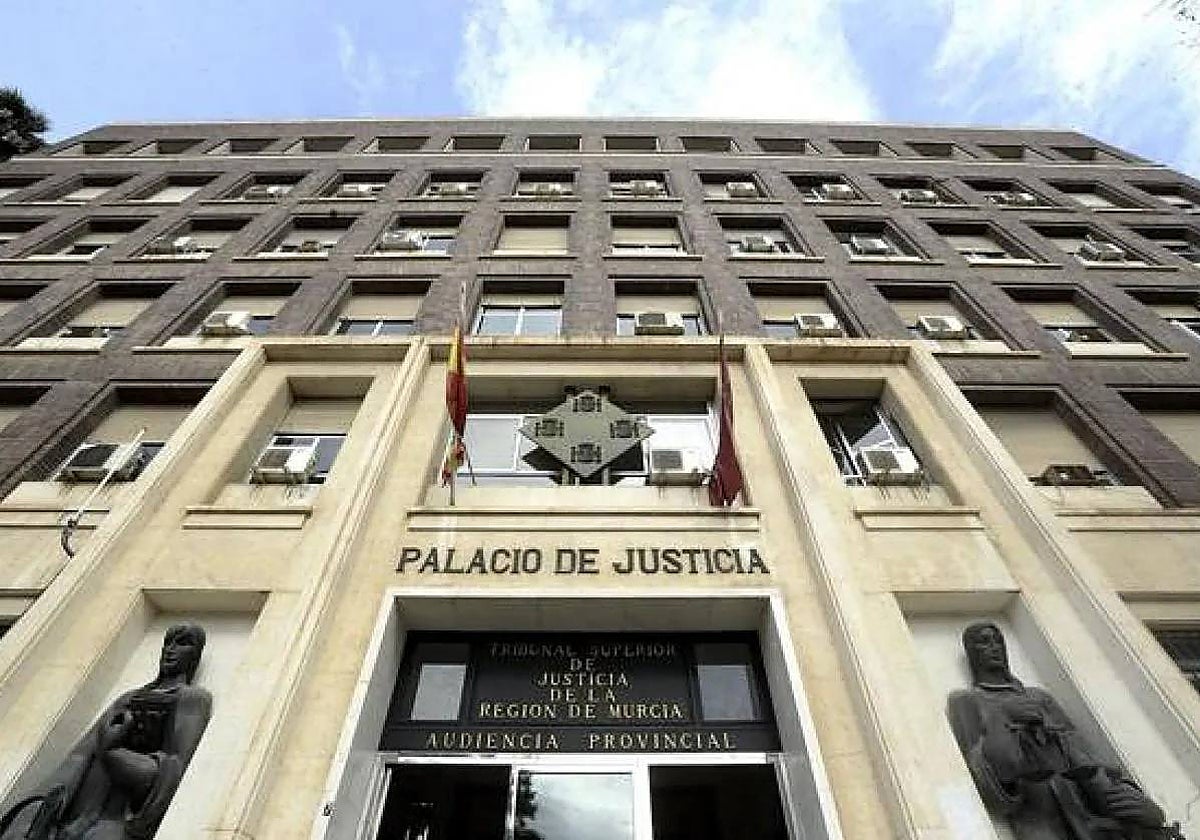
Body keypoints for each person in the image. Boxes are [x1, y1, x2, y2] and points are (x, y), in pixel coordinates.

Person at [948, 621, 1181, 840]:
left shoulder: (1039, 697)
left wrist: (1131, 798)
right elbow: (982, 769)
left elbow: (1082, 754)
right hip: (1041, 821)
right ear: (971, 652)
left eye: (998, 641)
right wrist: (1002, 720)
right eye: (984, 642)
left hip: (1086, 813)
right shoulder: (967, 700)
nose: (994, 647)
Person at [0, 623, 212, 840]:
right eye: (168, 642)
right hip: (76, 823)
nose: (170, 649)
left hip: (114, 824)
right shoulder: (127, 698)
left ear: (195, 655)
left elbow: (171, 770)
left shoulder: (192, 699)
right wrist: (39, 805)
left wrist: (113, 752)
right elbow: (80, 756)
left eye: (182, 643)